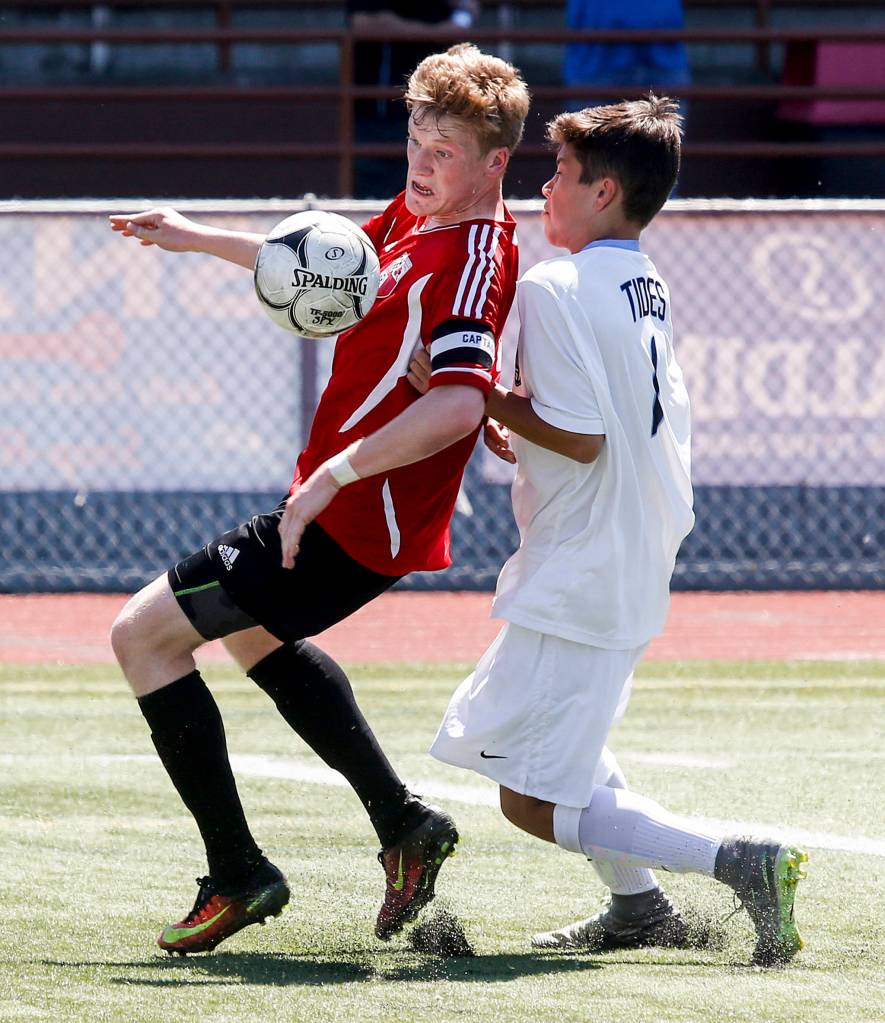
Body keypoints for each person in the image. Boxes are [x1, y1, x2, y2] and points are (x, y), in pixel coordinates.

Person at [107, 42, 529, 956]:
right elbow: (320, 263)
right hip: (342, 512)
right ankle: (404, 824)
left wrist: (332, 477)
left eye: (444, 151)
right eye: (415, 140)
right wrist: (194, 235)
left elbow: (458, 403)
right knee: (256, 633)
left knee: (140, 635)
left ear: (496, 163)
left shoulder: (472, 255)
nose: (420, 165)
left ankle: (238, 871)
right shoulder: (421, 218)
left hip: (348, 518)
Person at [425, 96, 808, 967]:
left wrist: (476, 393)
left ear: (602, 191)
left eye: (559, 174)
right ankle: (639, 908)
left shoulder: (554, 284)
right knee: (570, 754)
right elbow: (606, 419)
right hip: (628, 546)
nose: (544, 186)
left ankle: (739, 861)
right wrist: (516, 419)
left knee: (528, 795)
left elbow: (587, 436)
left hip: (585, 563)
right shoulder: (643, 275)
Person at [348, 0, 481, 198]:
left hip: (431, 116)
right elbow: (363, 22)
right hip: (373, 114)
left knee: (424, 193)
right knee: (370, 195)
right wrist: (434, 33)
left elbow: (467, 12)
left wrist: (453, 26)